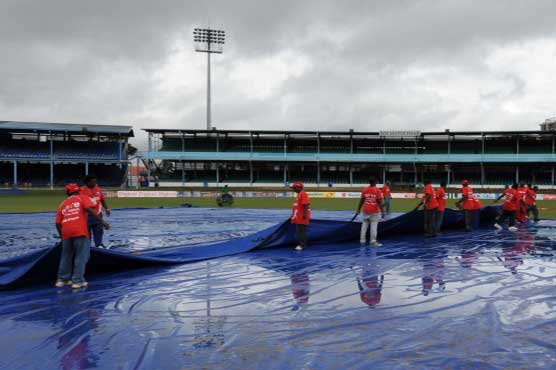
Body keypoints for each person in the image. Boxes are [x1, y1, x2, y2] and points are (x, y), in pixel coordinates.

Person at [55, 183, 110, 289]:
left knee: (66, 255)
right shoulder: (82, 198)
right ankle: (77, 280)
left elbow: (57, 223)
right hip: (79, 230)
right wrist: (102, 221)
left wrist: (62, 236)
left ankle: (62, 279)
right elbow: (90, 209)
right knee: (81, 255)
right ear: (77, 191)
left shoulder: (63, 203)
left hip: (66, 231)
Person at [80, 175, 111, 248]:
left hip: (98, 215)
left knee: (99, 231)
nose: (95, 183)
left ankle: (99, 244)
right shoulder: (81, 191)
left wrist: (107, 209)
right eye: (93, 182)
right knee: (87, 234)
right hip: (86, 216)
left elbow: (102, 199)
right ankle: (87, 247)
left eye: (95, 181)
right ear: (87, 182)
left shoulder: (98, 189)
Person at [353, 177, 385, 246]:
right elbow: (379, 202)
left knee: (364, 225)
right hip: (374, 211)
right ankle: (373, 241)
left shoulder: (365, 190)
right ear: (375, 182)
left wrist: (358, 210)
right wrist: (382, 212)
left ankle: (362, 240)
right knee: (373, 226)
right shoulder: (377, 190)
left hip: (365, 210)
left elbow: (361, 201)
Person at [290, 182, 311, 251]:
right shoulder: (299, 194)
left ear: (298, 187)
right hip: (299, 216)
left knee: (301, 231)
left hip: (302, 216)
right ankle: (300, 244)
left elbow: (306, 205)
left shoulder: (303, 194)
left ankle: (301, 245)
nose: (293, 189)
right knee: (299, 231)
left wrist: (304, 215)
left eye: (294, 188)